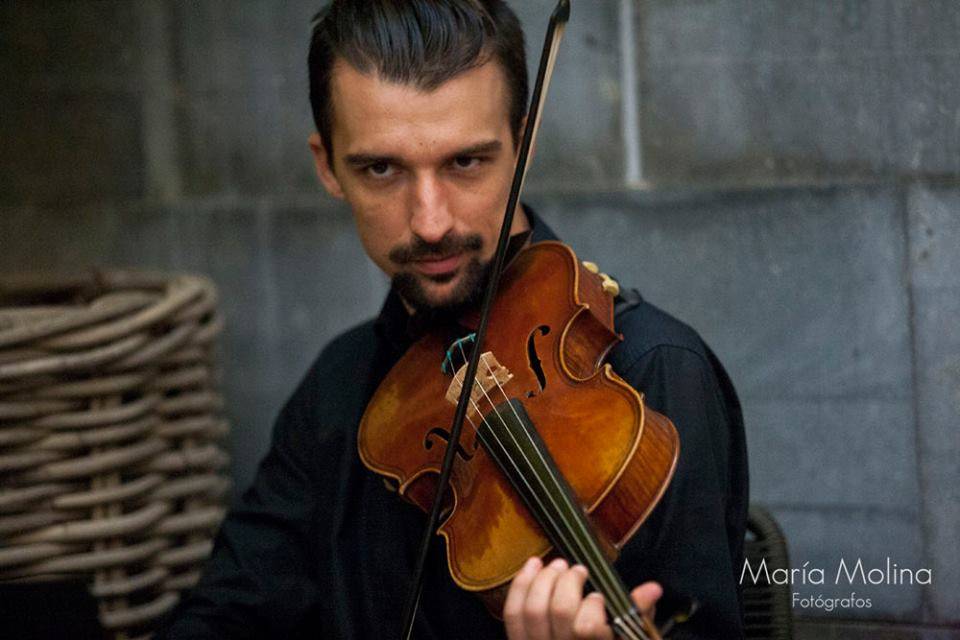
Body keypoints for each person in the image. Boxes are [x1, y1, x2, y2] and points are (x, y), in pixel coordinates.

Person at [158, 1, 748, 638]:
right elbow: (227, 612)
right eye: (381, 169)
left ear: (521, 144)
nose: (431, 221)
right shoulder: (341, 383)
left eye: (466, 162)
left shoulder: (649, 371)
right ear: (328, 166)